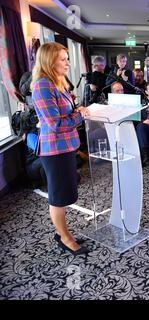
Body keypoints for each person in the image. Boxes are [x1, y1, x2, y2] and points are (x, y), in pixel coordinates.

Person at [31, 42, 90, 255]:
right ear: (49, 61)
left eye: (67, 58)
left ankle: (64, 233)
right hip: (54, 150)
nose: (67, 63)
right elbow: (55, 125)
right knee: (58, 196)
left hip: (65, 147)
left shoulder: (58, 82)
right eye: (63, 59)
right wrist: (80, 115)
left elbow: (64, 114)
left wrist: (77, 110)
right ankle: (64, 238)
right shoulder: (43, 85)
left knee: (65, 193)